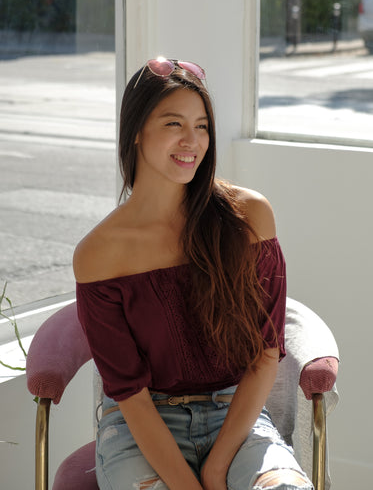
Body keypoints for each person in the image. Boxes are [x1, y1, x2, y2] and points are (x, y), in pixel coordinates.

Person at [74, 57, 313, 490]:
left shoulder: (249, 217)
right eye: (173, 124)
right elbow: (129, 393)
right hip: (141, 428)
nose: (192, 141)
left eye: (202, 126)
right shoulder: (99, 254)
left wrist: (217, 467)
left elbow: (264, 352)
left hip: (234, 417)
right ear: (136, 132)